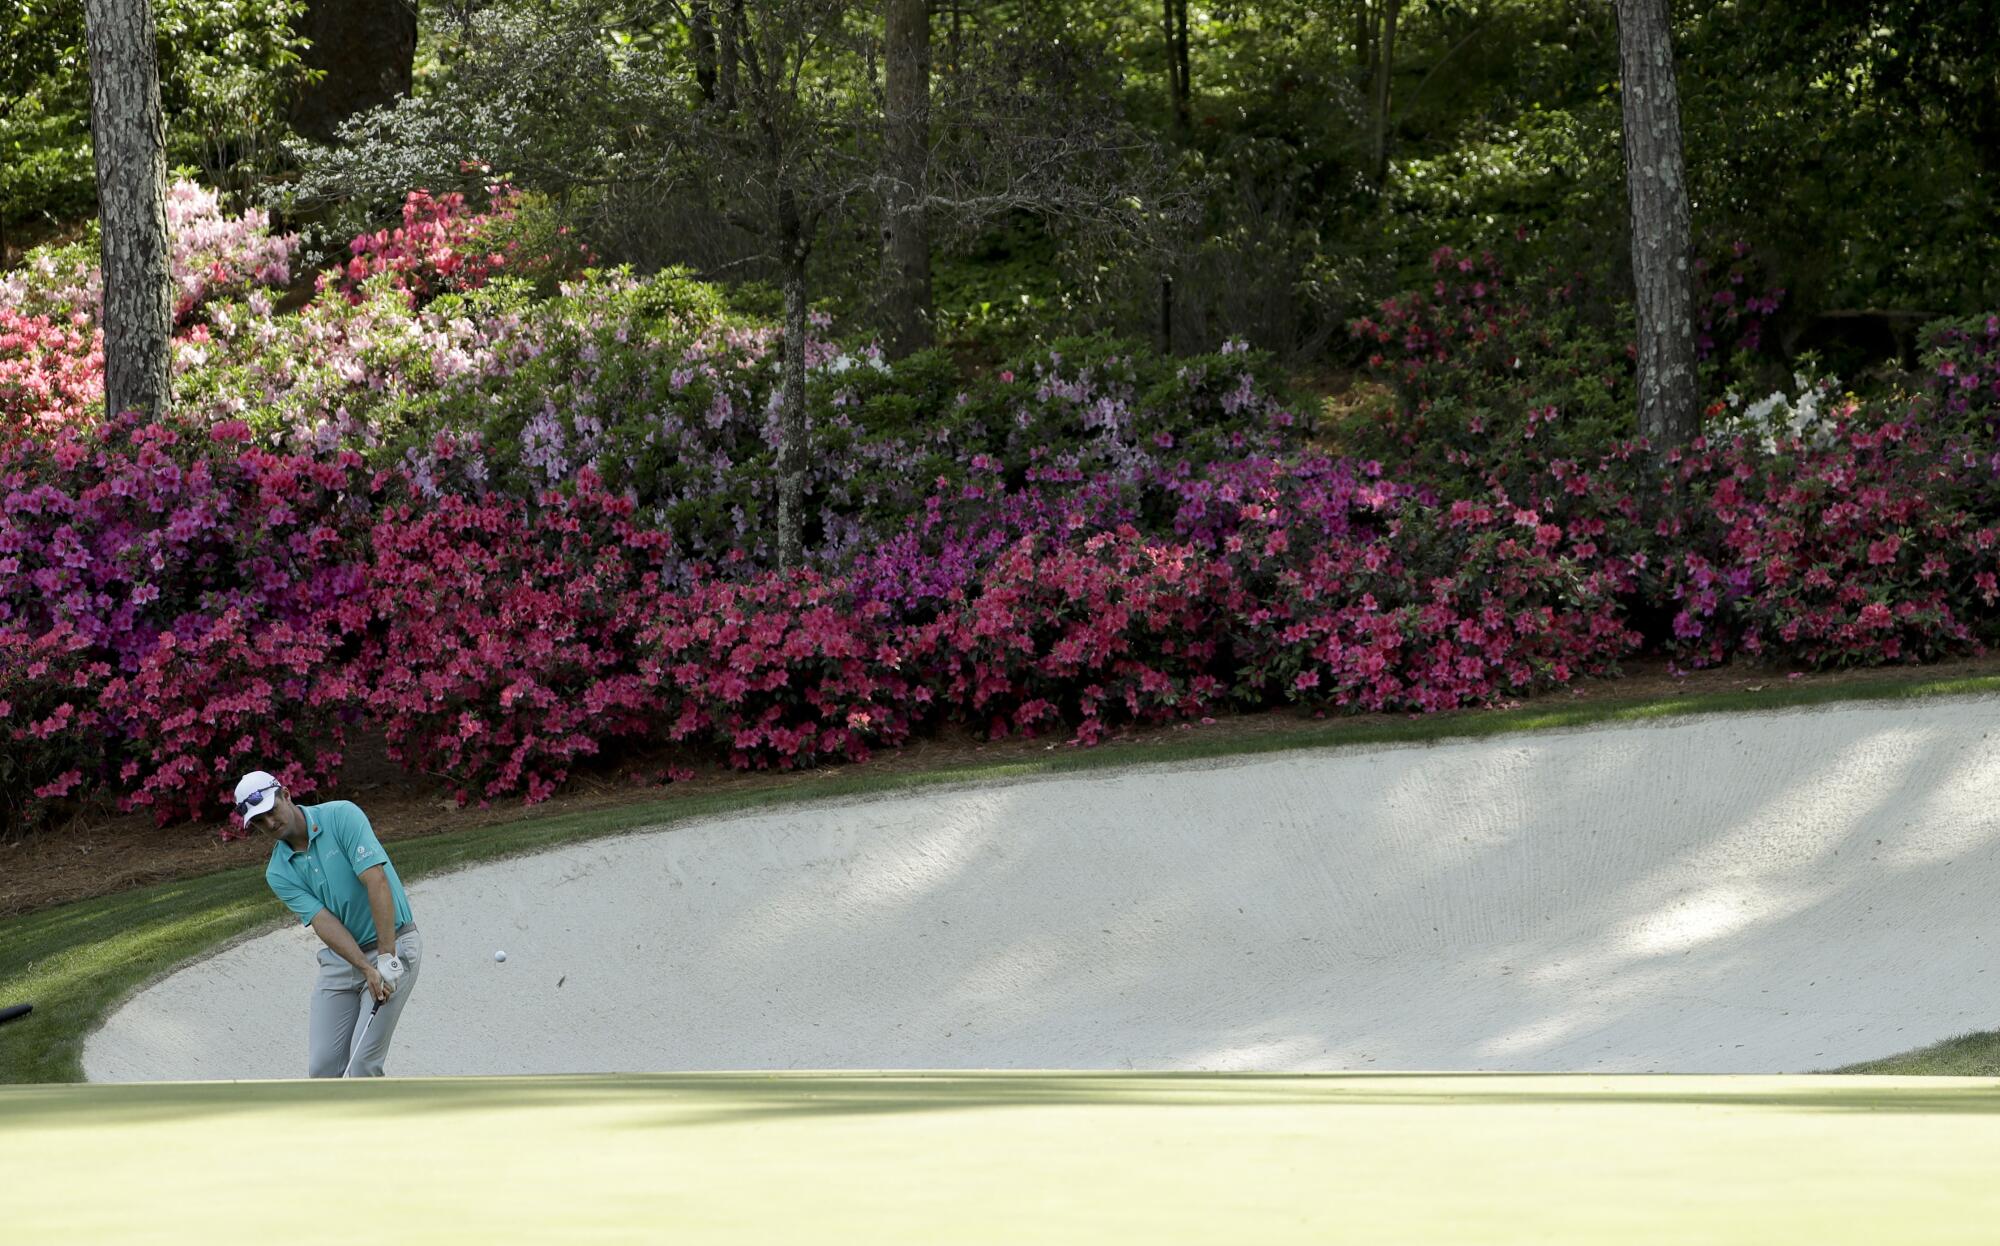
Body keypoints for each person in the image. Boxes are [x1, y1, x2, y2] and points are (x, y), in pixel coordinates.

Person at [233, 770, 422, 1077]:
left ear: (286, 795)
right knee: (322, 1070)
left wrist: (386, 958)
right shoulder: (278, 872)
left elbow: (376, 882)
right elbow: (324, 922)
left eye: (270, 811)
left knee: (362, 1065)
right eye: (258, 821)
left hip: (393, 942)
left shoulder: (341, 816)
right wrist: (364, 967)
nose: (269, 824)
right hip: (342, 962)